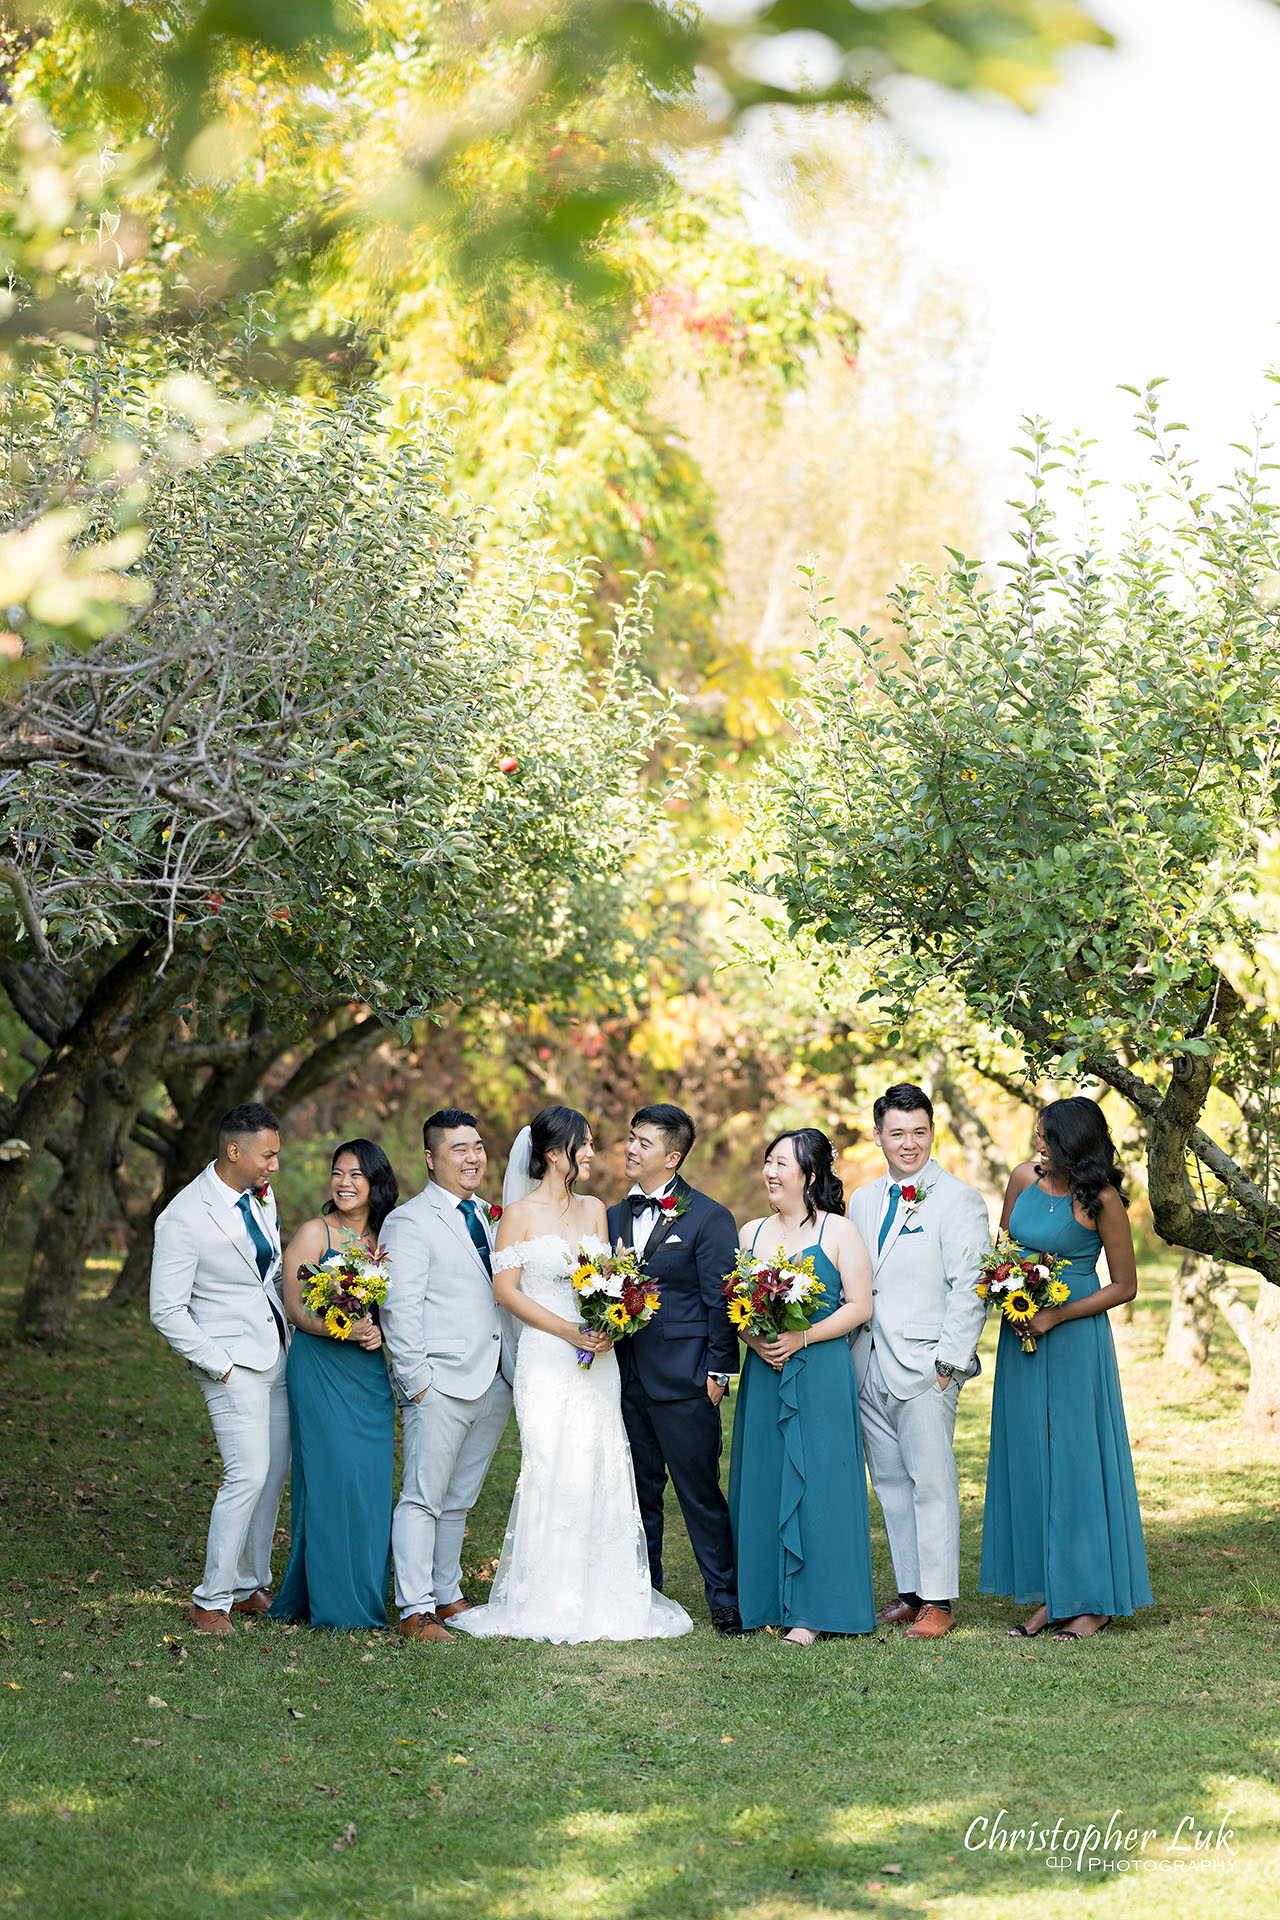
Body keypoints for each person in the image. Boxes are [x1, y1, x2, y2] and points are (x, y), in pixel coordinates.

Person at [455, 1106, 692, 1643]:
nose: (592, 1152)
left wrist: (611, 1322)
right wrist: (566, 1329)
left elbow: (610, 1278)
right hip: (546, 1355)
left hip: (596, 1358)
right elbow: (505, 1290)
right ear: (554, 1151)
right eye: (583, 1144)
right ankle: (546, 1595)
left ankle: (604, 1591)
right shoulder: (516, 1214)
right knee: (549, 1462)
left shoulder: (594, 1211)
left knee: (601, 1459)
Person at [980, 1097, 1152, 1641]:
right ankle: (1049, 1595)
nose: (1037, 1145)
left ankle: (1090, 1600)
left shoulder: (1100, 1200)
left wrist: (1056, 1315)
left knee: (1076, 1463)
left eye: (1048, 1138)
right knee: (1030, 1458)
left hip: (1074, 1338)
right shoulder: (1020, 1180)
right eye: (1037, 1135)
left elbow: (1125, 1285)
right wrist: (1011, 1294)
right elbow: (1001, 1252)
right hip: (1023, 1332)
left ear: (1074, 1145)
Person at [848, 1083, 989, 1640]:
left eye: (920, 1132)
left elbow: (971, 1287)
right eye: (898, 1133)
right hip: (869, 1361)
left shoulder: (959, 1199)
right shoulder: (860, 1200)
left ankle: (940, 1601)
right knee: (888, 1481)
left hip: (928, 1366)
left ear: (933, 1132)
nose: (909, 1143)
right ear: (878, 1135)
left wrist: (948, 1364)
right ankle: (910, 1592)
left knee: (931, 1482)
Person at [728, 1128, 876, 1644]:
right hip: (766, 1373)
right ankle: (768, 1599)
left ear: (809, 1177)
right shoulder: (750, 1234)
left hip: (820, 1372)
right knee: (767, 1479)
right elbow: (738, 1306)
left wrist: (803, 1336)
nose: (769, 1172)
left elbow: (860, 1306)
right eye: (767, 1161)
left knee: (821, 1485)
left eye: (781, 1164)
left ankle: (815, 1610)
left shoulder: (840, 1232)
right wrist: (754, 1339)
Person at [149, 1104, 290, 1636]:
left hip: (278, 1353)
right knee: (247, 1473)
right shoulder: (183, 1216)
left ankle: (250, 1581)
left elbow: (266, 1274)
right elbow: (165, 1308)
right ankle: (210, 1601)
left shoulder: (261, 1196)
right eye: (268, 1154)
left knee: (273, 1473)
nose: (275, 1165)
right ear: (235, 1151)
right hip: (232, 1366)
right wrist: (221, 1366)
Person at [605, 1104, 743, 1636]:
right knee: (639, 1494)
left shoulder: (709, 1217)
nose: (631, 1148)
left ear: (674, 1155)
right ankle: (647, 1591)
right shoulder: (614, 1216)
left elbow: (720, 1301)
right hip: (624, 1376)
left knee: (699, 1494)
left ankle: (726, 1599)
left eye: (643, 1141)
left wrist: (719, 1371)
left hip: (687, 1378)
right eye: (630, 1138)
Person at [379, 1108, 516, 1643]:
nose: (473, 1156)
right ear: (432, 1159)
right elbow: (399, 1308)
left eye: (478, 1146)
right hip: (438, 1382)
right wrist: (416, 1382)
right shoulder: (409, 1221)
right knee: (422, 1497)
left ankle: (447, 1591)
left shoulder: (490, 1214)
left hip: (492, 1379)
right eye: (459, 1148)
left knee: (460, 1498)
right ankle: (414, 1609)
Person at [269, 1140, 398, 1631]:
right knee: (329, 1479)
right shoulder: (313, 1233)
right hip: (320, 1366)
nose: (344, 1183)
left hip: (368, 1374)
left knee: (366, 1484)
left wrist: (378, 1329)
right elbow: (297, 1310)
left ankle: (362, 1593)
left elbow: (399, 1305)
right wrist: (344, 1327)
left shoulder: (389, 1237)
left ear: (375, 1182)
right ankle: (331, 1602)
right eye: (337, 1173)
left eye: (356, 1175)